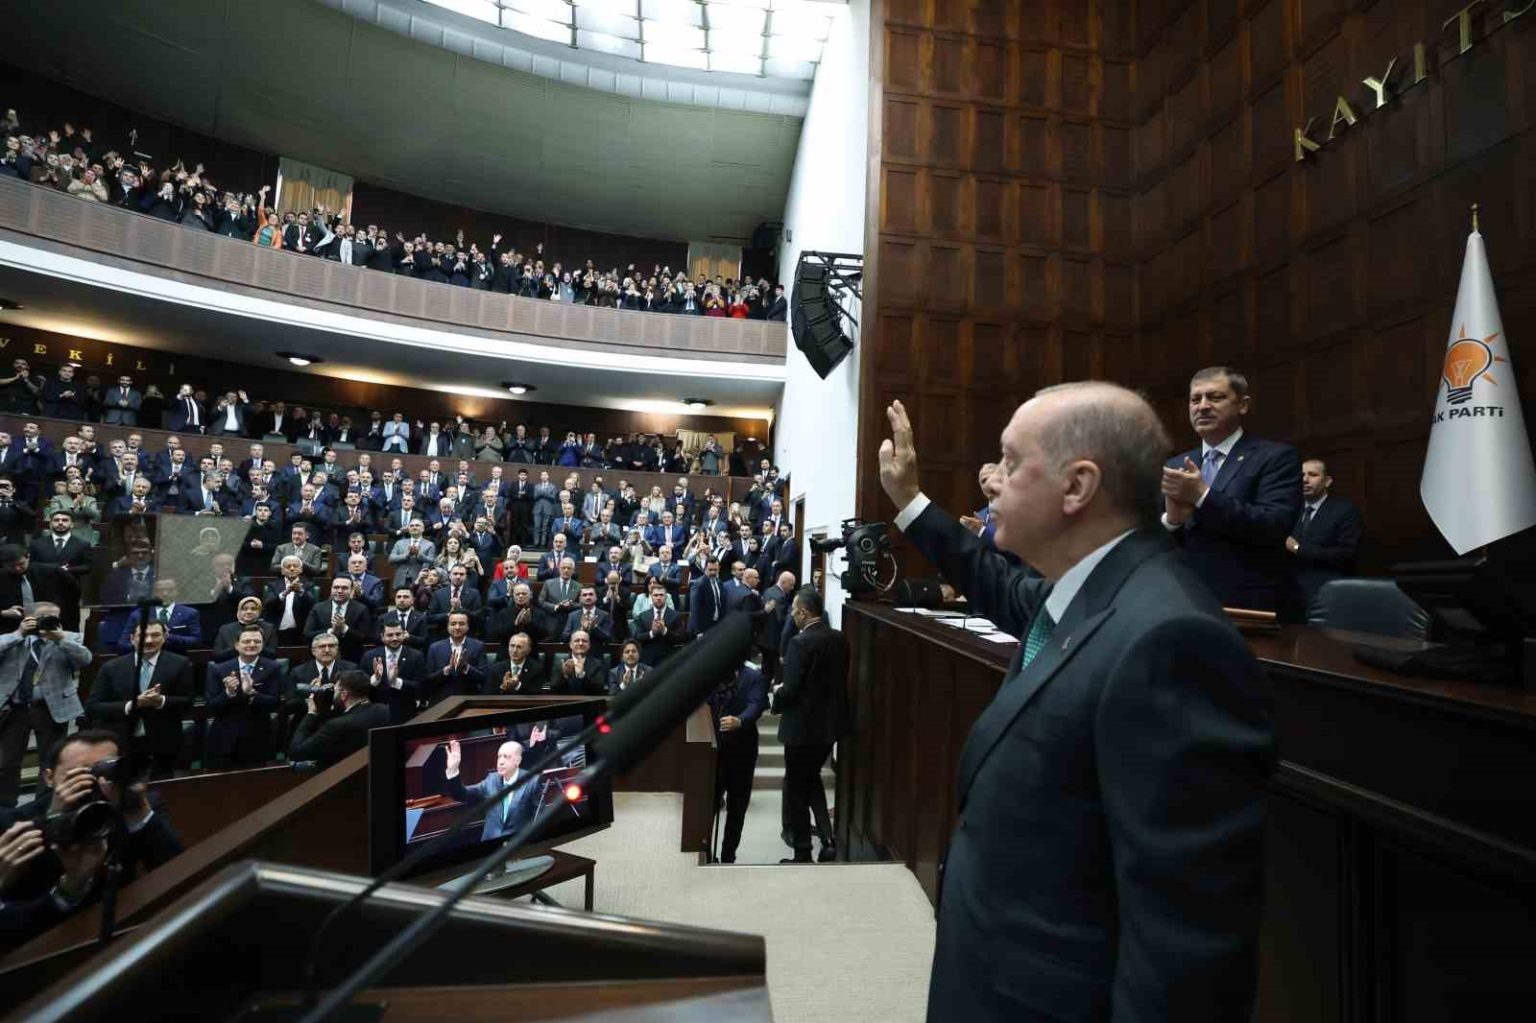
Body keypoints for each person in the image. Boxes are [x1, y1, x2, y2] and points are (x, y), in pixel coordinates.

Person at [879, 388, 1275, 1022]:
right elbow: (993, 580)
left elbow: (1184, 957)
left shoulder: (1171, 640)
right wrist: (910, 501)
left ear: (1077, 487)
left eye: (1012, 462)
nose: (993, 480)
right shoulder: (1089, 591)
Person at [0, 730, 183, 950]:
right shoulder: (14, 822)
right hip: (45, 944)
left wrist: (138, 812)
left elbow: (180, 878)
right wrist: (54, 822)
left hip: (122, 932)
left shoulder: (134, 806)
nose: (95, 783)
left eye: (106, 771)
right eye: (77, 776)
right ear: (49, 777)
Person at [1161, 367, 1302, 611]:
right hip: (1185, 599)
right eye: (1195, 399)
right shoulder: (1175, 465)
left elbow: (1274, 526)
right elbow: (1153, 542)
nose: (1202, 406)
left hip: (1250, 603)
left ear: (1243, 405)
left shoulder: (1276, 457)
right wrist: (1172, 522)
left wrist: (1203, 496)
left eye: (1215, 397)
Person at [769, 588, 846, 864]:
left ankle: (802, 851)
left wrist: (776, 694)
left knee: (797, 790)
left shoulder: (799, 643)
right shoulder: (840, 639)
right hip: (829, 727)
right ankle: (828, 839)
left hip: (801, 729)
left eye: (794, 611)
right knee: (812, 779)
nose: (792, 615)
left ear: (803, 612)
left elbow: (791, 689)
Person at [0, 603, 91, 806]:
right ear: (29, 618)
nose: (49, 620)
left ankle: (42, 807)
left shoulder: (70, 638)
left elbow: (86, 659)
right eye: (43, 617)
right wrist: (18, 634)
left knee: (50, 762)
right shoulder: (14, 639)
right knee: (7, 762)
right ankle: (5, 807)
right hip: (16, 709)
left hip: (51, 708)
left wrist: (60, 639)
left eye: (54, 617)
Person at [86, 621, 193, 778]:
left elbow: (188, 702)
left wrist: (161, 701)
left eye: (155, 635)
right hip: (122, 741)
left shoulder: (180, 664)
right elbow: (93, 707)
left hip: (162, 743)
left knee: (161, 787)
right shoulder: (111, 667)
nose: (149, 640)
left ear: (165, 637)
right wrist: (131, 705)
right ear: (132, 638)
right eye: (143, 635)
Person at [1284, 458, 1366, 619]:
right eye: (1301, 475)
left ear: (1327, 481)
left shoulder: (1345, 511)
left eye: (1312, 475)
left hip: (1326, 594)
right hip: (1289, 595)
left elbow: (1346, 554)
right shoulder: (1289, 511)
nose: (1305, 480)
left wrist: (1298, 549)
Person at [709, 660, 768, 864]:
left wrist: (740, 721)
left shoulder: (754, 677)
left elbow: (756, 705)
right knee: (708, 804)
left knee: (737, 808)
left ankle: (728, 856)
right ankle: (704, 851)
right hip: (711, 751)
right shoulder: (710, 673)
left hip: (742, 752)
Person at [204, 626, 283, 769]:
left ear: (263, 645)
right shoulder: (218, 668)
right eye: (247, 641)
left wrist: (251, 693)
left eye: (257, 641)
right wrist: (229, 693)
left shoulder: (273, 667)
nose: (252, 645)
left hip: (257, 737)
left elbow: (274, 702)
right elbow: (211, 706)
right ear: (237, 645)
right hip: (224, 737)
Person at [288, 670, 391, 768]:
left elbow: (296, 752)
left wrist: (311, 713)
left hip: (338, 775)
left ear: (344, 695)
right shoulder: (384, 711)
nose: (333, 693)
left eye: (335, 689)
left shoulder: (336, 726)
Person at [442, 738, 538, 841]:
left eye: (506, 757)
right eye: (499, 757)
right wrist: (453, 771)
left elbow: (539, 819)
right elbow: (461, 794)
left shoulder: (532, 782)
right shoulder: (491, 780)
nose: (501, 762)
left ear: (518, 760)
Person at [363, 622, 428, 723]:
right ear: (382, 637)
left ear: (404, 634)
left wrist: (396, 681)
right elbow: (361, 687)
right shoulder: (369, 656)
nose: (395, 638)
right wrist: (375, 679)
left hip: (405, 713)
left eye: (398, 634)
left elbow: (421, 686)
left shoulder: (416, 656)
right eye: (390, 635)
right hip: (375, 713)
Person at [424, 612, 486, 705]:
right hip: (441, 701)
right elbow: (428, 679)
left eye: (461, 624)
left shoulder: (478, 646)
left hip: (468, 700)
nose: (457, 627)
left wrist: (466, 667)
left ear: (468, 627)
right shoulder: (435, 648)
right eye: (453, 624)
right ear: (447, 626)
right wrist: (446, 671)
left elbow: (483, 677)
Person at [212, 595, 278, 659]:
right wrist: (239, 647)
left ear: (259, 611)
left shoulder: (269, 628)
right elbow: (217, 656)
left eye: (253, 609)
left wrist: (256, 646)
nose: (249, 612)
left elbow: (273, 654)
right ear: (239, 611)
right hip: (232, 664)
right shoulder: (225, 629)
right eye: (244, 609)